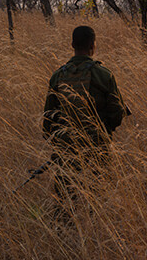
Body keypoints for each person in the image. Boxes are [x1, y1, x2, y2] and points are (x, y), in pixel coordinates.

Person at [43, 25, 127, 209]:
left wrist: (60, 141)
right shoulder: (103, 75)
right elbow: (117, 114)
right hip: (96, 143)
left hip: (66, 145)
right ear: (92, 45)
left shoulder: (58, 76)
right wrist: (105, 129)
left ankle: (63, 232)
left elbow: (47, 120)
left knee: (65, 199)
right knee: (100, 196)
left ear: (72, 44)